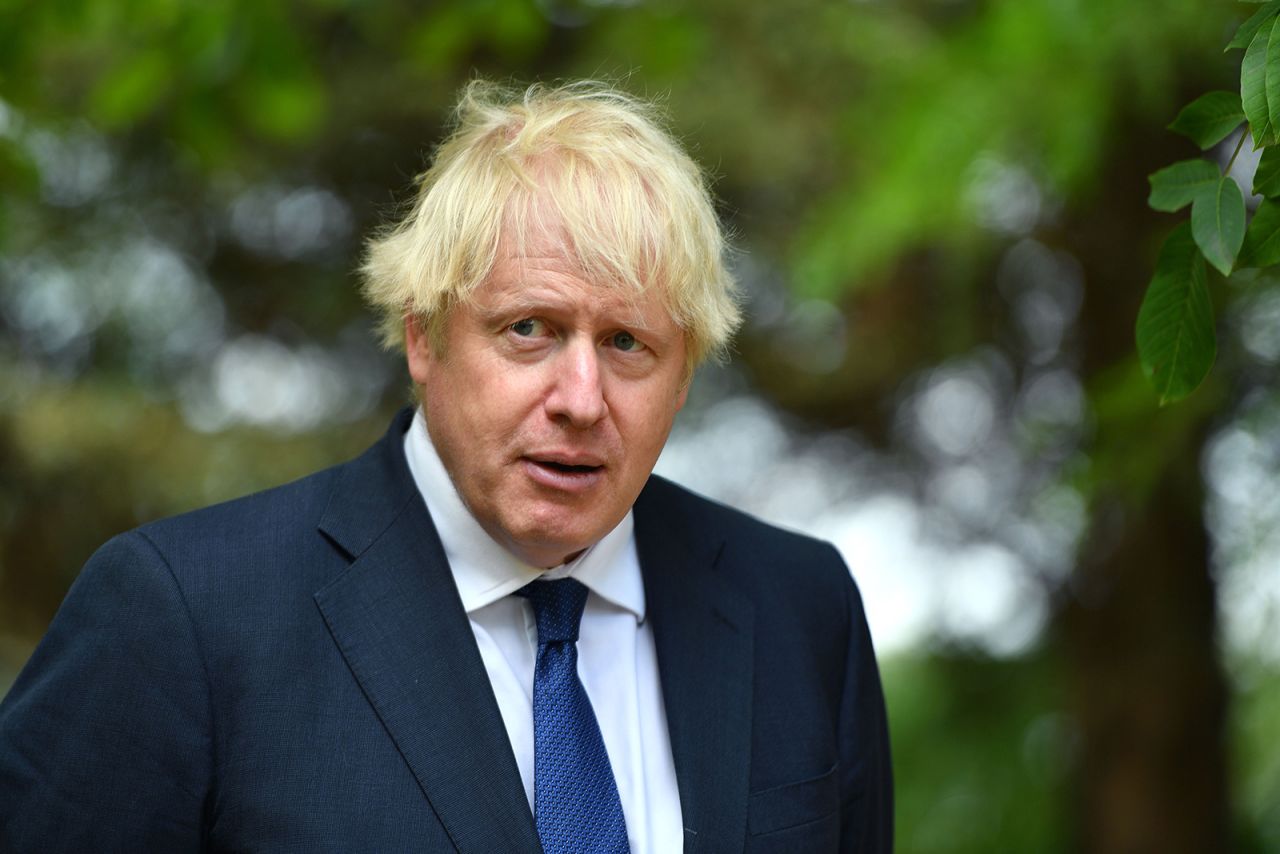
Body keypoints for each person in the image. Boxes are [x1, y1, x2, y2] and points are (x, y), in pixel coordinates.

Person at [0, 80, 892, 852]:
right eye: (529, 329)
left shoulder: (799, 611)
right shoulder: (183, 619)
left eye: (627, 343)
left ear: (685, 373)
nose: (581, 397)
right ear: (423, 335)